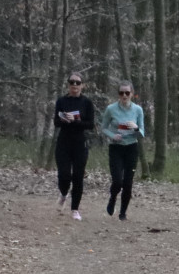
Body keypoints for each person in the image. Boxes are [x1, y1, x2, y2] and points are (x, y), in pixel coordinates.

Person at [53, 73, 95, 221]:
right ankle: (64, 193)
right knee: (64, 175)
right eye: (72, 82)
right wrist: (64, 119)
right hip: (63, 143)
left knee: (78, 176)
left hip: (80, 143)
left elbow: (90, 124)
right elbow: (56, 122)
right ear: (68, 85)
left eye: (78, 83)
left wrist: (76, 120)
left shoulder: (87, 102)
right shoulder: (61, 101)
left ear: (82, 85)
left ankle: (75, 209)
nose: (75, 85)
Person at [100, 81, 144, 221]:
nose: (124, 95)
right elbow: (103, 127)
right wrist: (112, 136)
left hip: (131, 148)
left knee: (128, 183)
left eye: (127, 93)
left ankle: (123, 213)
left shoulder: (138, 110)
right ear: (118, 94)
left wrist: (135, 128)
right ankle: (113, 197)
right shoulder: (111, 109)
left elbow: (142, 133)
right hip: (116, 148)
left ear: (132, 94)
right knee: (118, 181)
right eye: (121, 93)